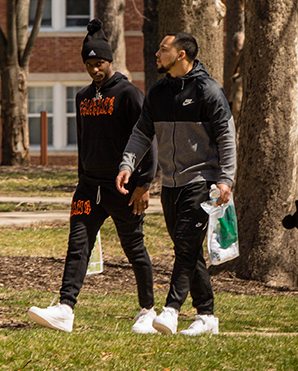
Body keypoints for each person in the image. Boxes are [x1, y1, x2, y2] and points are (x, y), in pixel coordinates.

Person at [28, 20, 158, 333]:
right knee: (78, 246)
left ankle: (148, 310)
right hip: (88, 188)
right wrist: (80, 180)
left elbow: (147, 140)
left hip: (123, 188)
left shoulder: (130, 94)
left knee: (134, 248)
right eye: (88, 65)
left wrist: (144, 185)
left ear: (109, 61)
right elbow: (83, 142)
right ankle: (65, 309)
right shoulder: (83, 97)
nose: (94, 70)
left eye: (98, 63)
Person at [116, 32, 236, 336]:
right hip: (170, 184)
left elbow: (226, 136)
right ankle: (207, 316)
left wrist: (225, 178)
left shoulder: (208, 91)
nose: (157, 53)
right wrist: (127, 164)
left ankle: (171, 310)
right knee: (188, 249)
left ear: (182, 54)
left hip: (202, 180)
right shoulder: (157, 93)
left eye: (163, 49)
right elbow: (142, 133)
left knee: (184, 246)